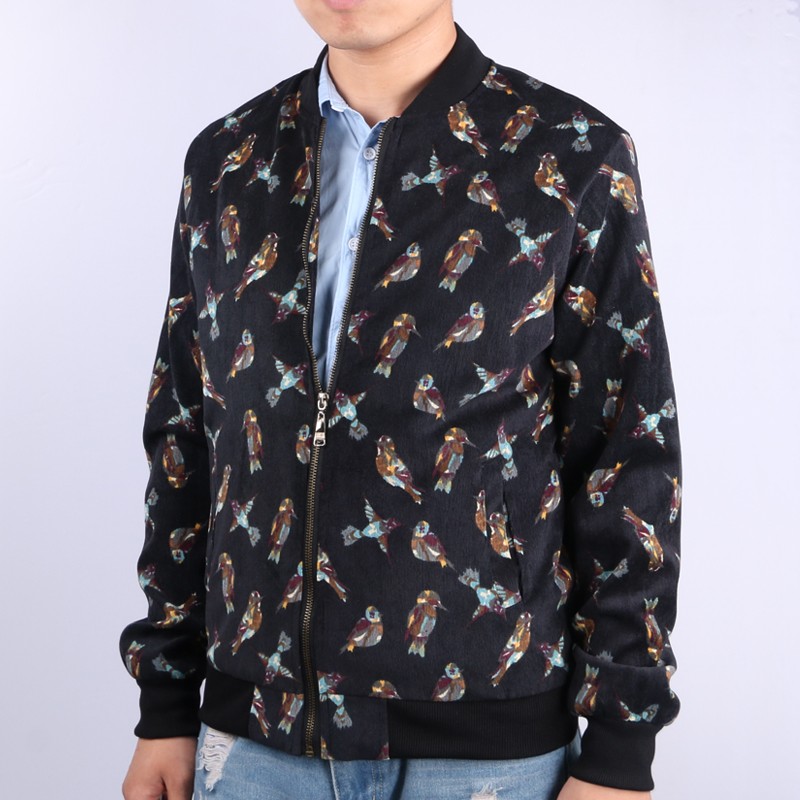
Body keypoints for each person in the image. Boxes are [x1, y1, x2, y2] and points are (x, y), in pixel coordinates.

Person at [119, 2, 683, 799]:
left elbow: (627, 457)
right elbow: (185, 433)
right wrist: (166, 705)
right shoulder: (228, 160)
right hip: (253, 746)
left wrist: (621, 749)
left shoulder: (571, 155)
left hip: (486, 753)